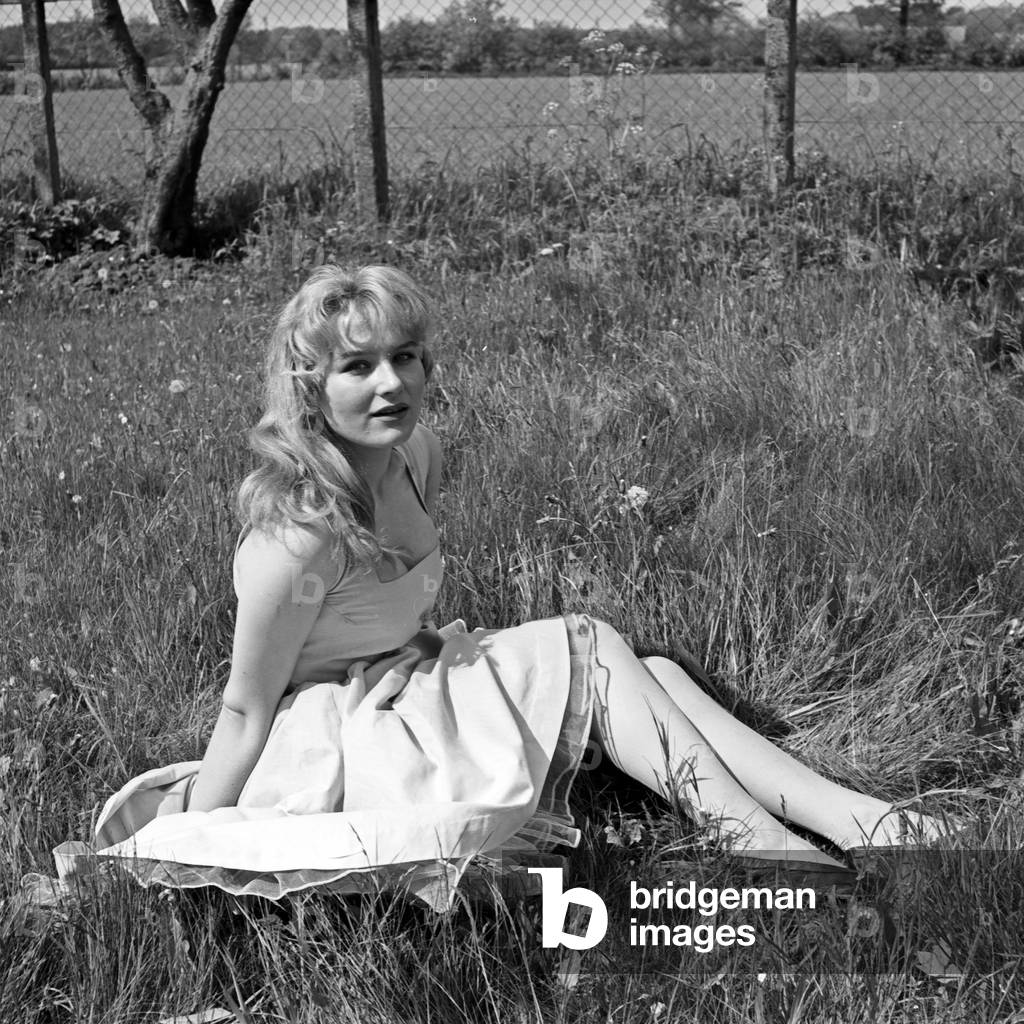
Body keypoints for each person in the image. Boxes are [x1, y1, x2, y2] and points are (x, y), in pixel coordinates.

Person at [54, 264, 955, 911]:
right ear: (309, 387)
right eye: (358, 367)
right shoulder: (296, 539)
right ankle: (766, 846)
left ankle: (864, 821)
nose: (392, 383)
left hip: (405, 682)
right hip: (344, 737)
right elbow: (247, 710)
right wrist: (183, 842)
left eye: (407, 357)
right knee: (591, 642)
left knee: (655, 675)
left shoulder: (415, 454)